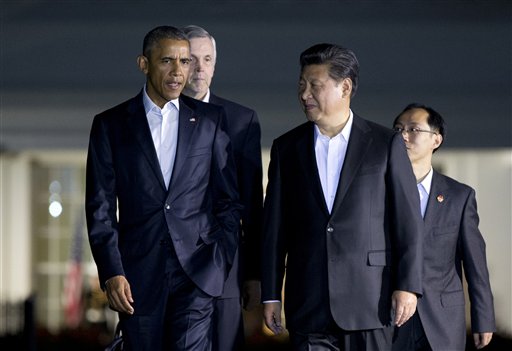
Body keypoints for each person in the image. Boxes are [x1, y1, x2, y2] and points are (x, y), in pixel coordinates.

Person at [85, 25, 241, 350]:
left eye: (185, 62)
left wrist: (219, 259)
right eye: (167, 61)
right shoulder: (110, 125)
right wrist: (112, 271)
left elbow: (228, 200)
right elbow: (100, 208)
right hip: (136, 276)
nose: (178, 71)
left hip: (197, 273)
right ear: (144, 64)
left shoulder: (211, 120)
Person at [261, 43, 424, 351]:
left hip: (370, 302)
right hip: (309, 303)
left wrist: (408, 286)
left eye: (315, 86)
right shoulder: (286, 149)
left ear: (345, 86)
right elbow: (274, 231)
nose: (304, 94)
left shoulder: (385, 144)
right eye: (301, 85)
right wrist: (271, 294)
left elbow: (408, 221)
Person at [181, 24, 264, 351]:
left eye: (207, 59)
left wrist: (254, 273)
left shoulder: (241, 120)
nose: (200, 68)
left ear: (215, 65)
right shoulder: (151, 119)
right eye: (191, 59)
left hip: (224, 265)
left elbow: (253, 203)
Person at [391, 103, 496, 351]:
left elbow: (475, 264)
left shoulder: (459, 196)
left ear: (436, 140)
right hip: (389, 319)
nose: (403, 135)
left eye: (413, 129)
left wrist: (484, 318)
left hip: (442, 322)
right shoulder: (378, 192)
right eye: (398, 129)